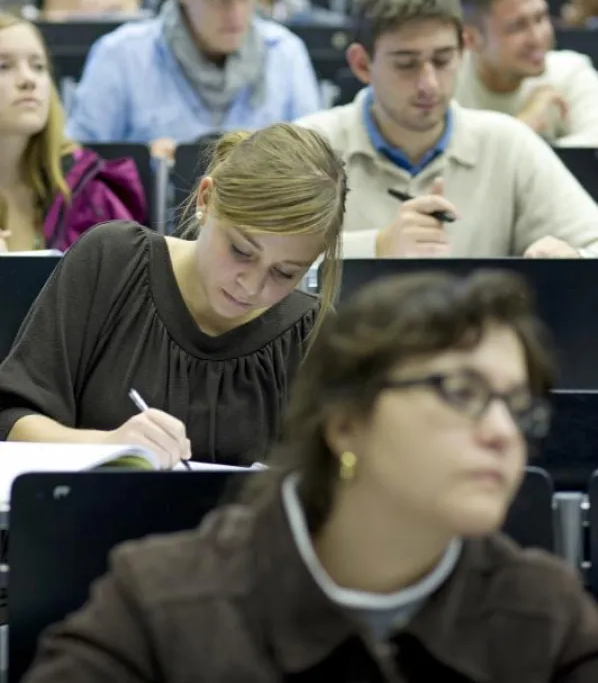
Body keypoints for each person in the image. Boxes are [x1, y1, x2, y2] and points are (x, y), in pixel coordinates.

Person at [21, 270, 598, 683]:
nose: (503, 432)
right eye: (462, 392)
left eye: (517, 405)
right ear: (345, 421)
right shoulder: (163, 603)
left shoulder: (546, 613)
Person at [0, 123, 346, 467]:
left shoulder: (310, 333)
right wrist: (106, 446)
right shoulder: (112, 261)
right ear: (206, 199)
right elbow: (11, 417)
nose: (252, 286)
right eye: (241, 251)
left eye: (285, 273)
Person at [298, 0, 598, 259]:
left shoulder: (507, 142)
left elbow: (593, 240)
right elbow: (258, 265)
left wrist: (574, 258)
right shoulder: (306, 149)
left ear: (464, 50)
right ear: (362, 64)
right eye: (406, 64)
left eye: (442, 60)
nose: (428, 84)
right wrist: (374, 247)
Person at [66, 0, 322, 158]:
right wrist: (139, 164)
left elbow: (314, 168)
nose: (237, 14)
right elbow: (78, 165)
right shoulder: (120, 55)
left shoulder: (285, 54)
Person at [0, 13, 146, 254]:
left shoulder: (88, 192)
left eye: (38, 66)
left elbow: (128, 284)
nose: (28, 80)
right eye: (3, 66)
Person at [453, 0, 598, 145]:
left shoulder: (571, 73)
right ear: (471, 39)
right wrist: (522, 126)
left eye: (540, 17)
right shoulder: (446, 85)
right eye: (517, 26)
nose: (538, 37)